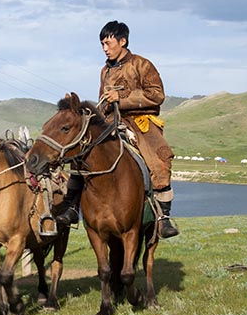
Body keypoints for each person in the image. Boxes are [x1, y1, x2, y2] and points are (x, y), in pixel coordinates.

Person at [56, 21, 179, 238]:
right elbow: (103, 101)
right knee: (81, 152)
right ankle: (72, 206)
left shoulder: (142, 65)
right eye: (102, 43)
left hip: (140, 121)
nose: (104, 48)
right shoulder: (105, 71)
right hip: (110, 121)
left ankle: (163, 218)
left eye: (108, 42)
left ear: (122, 41)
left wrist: (121, 98)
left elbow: (157, 95)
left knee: (159, 159)